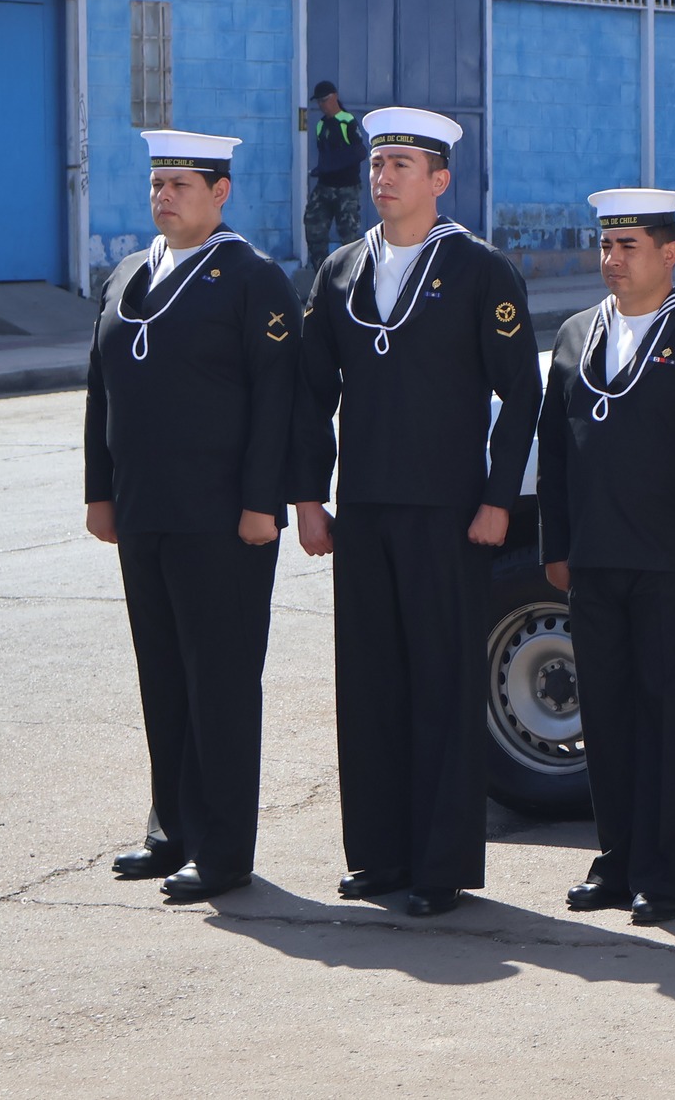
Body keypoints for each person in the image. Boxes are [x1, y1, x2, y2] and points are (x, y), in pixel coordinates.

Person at [290, 106, 541, 918]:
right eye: (377, 163)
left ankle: (440, 864)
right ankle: (378, 853)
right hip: (364, 510)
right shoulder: (340, 270)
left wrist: (499, 498)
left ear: (440, 179)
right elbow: (310, 393)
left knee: (441, 683)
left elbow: (522, 392)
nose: (383, 176)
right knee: (370, 684)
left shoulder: (478, 269)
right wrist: (309, 497)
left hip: (448, 512)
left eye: (402, 165)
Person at [84, 129, 300, 902]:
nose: (165, 195)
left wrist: (262, 503)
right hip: (144, 510)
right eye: (157, 183)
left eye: (181, 184)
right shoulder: (127, 275)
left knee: (221, 683)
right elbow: (100, 390)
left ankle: (223, 848)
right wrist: (99, 491)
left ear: (220, 192)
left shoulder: (252, 278)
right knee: (164, 676)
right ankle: (170, 829)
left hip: (223, 520)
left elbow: (279, 399)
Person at [537, 188, 675, 926]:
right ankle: (617, 860)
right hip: (595, 562)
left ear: (670, 252)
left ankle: (669, 874)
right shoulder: (575, 335)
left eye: (629, 246)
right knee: (608, 718)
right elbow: (555, 452)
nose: (612, 259)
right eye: (605, 245)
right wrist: (557, 546)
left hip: (670, 568)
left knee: (670, 722)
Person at [305, 80, 368, 262]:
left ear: (335, 97)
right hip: (325, 186)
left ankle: (353, 273)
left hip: (347, 187)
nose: (322, 105)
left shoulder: (347, 121)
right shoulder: (321, 125)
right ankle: (322, 271)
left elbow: (360, 152)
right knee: (313, 227)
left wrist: (334, 164)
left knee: (349, 236)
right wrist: (322, 169)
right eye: (319, 101)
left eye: (324, 100)